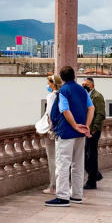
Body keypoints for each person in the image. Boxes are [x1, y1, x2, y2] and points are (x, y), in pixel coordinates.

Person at [47, 65, 91, 205]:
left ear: (62, 77)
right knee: (78, 164)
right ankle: (77, 195)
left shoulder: (64, 90)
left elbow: (65, 110)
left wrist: (74, 125)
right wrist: (86, 126)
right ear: (74, 76)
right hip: (80, 134)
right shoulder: (82, 90)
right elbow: (91, 108)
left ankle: (62, 196)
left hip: (66, 132)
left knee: (63, 164)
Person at [82, 74, 105, 191]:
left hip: (93, 130)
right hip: (87, 129)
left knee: (91, 155)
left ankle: (92, 180)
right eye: (83, 85)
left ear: (92, 86)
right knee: (85, 155)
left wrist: (94, 127)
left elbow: (101, 114)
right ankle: (95, 174)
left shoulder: (97, 97)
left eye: (86, 85)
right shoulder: (85, 96)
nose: (84, 87)